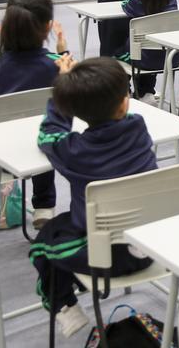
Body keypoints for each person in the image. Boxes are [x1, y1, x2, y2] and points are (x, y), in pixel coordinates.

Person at [29, 57, 157, 338]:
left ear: (72, 110)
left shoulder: (73, 150)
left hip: (106, 259)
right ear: (124, 104)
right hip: (152, 247)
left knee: (44, 243)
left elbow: (47, 136)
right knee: (67, 227)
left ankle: (64, 304)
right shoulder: (139, 129)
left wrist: (62, 89)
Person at [0, 0, 69, 229]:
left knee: (30, 127)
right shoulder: (55, 64)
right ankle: (44, 206)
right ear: (47, 27)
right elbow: (73, 88)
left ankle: (4, 193)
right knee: (44, 130)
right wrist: (64, 51)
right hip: (43, 146)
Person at [118, 0, 179, 103]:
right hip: (172, 57)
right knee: (152, 47)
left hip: (144, 60)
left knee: (118, 54)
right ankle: (146, 92)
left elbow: (125, 1)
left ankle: (124, 92)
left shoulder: (136, 0)